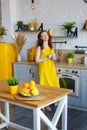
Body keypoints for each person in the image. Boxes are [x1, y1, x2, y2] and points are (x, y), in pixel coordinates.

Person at [35, 30, 60, 111]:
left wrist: (53, 58)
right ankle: (45, 105)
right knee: (45, 87)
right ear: (41, 38)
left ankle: (54, 101)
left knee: (54, 85)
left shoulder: (51, 47)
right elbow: (37, 60)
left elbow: (53, 58)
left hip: (51, 68)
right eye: (43, 35)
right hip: (44, 69)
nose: (46, 36)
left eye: (46, 34)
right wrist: (47, 57)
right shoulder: (40, 48)